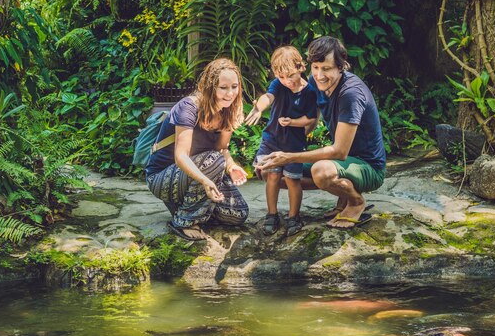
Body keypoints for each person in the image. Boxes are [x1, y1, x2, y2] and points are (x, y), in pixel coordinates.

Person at [256, 36, 386, 229]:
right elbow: (312, 118)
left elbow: (340, 151)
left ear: (341, 66)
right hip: (342, 162)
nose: (319, 75)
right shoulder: (315, 82)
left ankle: (355, 201)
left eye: (326, 69)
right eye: (315, 67)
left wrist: (290, 157)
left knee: (321, 172)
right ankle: (342, 194)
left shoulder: (350, 94)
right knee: (267, 170)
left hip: (368, 166)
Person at [145, 58, 249, 241]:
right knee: (215, 160)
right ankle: (184, 221)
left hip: (202, 172)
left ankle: (185, 206)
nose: (230, 93)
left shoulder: (229, 111)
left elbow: (222, 149)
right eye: (223, 87)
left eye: (234, 86)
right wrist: (205, 181)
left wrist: (232, 167)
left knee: (238, 214)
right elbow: (181, 156)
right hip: (162, 176)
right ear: (210, 87)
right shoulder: (189, 107)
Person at [245, 46, 317, 236]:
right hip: (272, 140)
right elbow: (268, 97)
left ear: (301, 67)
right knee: (272, 176)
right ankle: (272, 214)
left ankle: (294, 216)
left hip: (294, 144)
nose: (287, 81)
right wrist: (259, 108)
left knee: (293, 180)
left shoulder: (310, 91)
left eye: (290, 75)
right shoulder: (278, 84)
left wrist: (292, 122)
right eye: (281, 77)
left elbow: (310, 119)